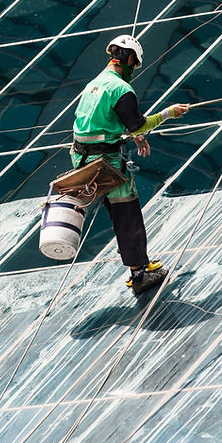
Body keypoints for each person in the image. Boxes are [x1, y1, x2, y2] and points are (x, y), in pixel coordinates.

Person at [71, 34, 189, 295]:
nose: (133, 72)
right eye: (134, 66)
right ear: (131, 59)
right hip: (105, 163)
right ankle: (139, 274)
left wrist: (133, 136)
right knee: (128, 215)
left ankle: (138, 262)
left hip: (81, 157)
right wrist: (169, 113)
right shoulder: (122, 89)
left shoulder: (96, 83)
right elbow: (137, 122)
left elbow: (101, 120)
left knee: (118, 214)